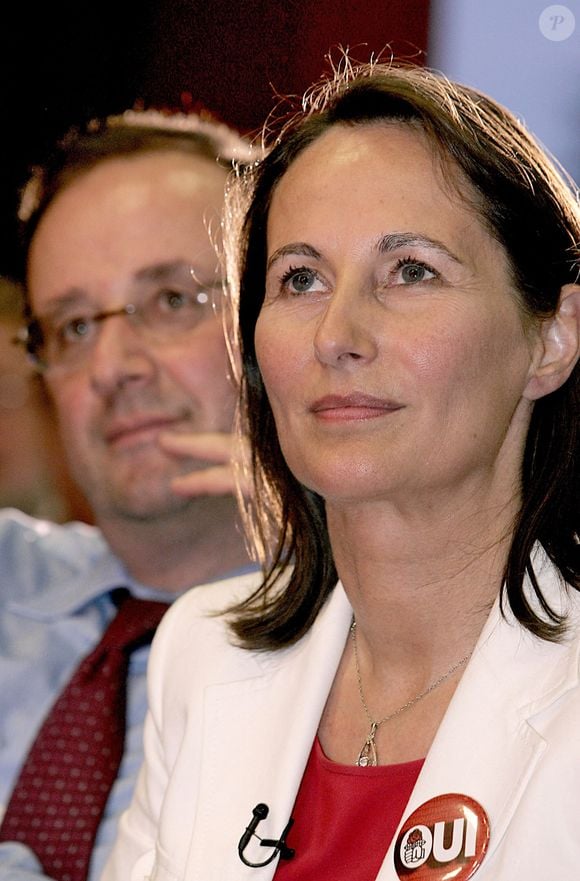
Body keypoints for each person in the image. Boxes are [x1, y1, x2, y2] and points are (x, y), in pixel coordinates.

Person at [103, 60, 580, 881]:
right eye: (301, 279)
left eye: (412, 271)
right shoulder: (203, 654)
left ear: (552, 338)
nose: (337, 333)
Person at [0, 108, 257, 881]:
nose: (112, 365)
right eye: (74, 325)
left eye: (173, 300)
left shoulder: (390, 646)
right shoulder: (15, 581)